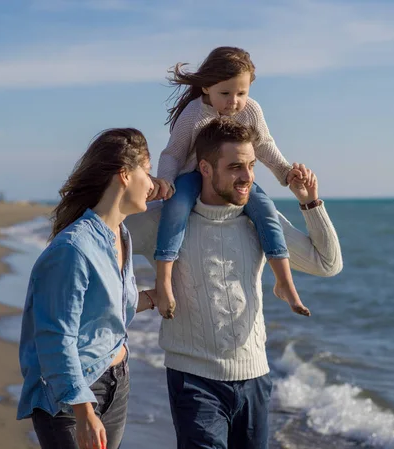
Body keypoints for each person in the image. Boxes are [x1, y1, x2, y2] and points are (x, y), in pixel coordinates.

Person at [125, 118, 343, 449]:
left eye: (252, 166)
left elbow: (327, 264)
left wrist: (309, 201)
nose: (247, 177)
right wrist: (141, 298)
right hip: (193, 378)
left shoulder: (259, 220)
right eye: (235, 167)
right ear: (205, 168)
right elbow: (104, 243)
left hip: (255, 377)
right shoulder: (161, 220)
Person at [16, 128, 159, 449]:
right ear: (124, 175)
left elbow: (100, 310)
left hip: (117, 382)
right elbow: (55, 337)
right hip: (73, 394)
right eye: (147, 173)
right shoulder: (73, 249)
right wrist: (83, 410)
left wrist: (153, 298)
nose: (152, 184)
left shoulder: (121, 235)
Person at [149, 46, 311, 319]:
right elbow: (173, 153)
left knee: (266, 209)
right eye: (225, 93)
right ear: (206, 88)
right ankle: (164, 281)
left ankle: (284, 282)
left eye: (241, 93)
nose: (233, 101)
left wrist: (285, 171)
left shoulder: (251, 111)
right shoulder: (193, 114)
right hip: (192, 176)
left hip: (233, 179)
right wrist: (166, 181)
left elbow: (264, 145)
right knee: (176, 209)